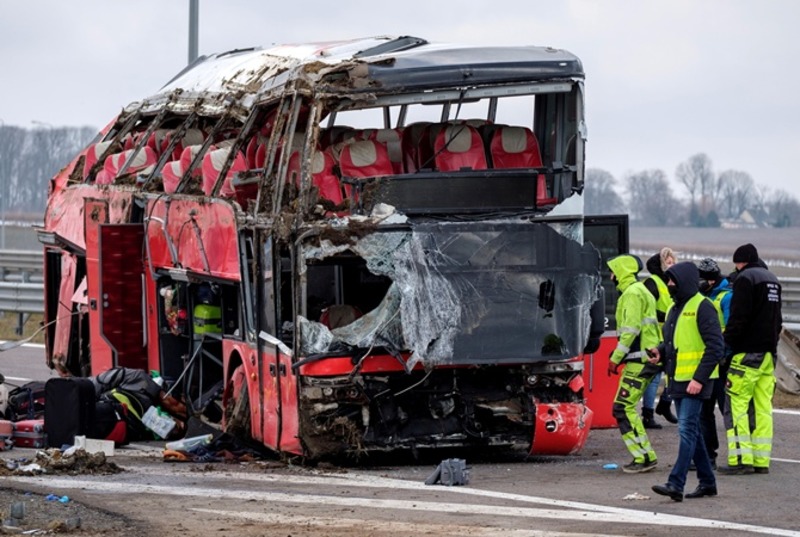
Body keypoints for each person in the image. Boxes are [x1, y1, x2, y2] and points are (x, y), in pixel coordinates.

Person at [651, 261, 725, 502]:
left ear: (684, 281)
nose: (670, 285)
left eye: (673, 280)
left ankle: (676, 483)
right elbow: (675, 343)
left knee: (686, 431)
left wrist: (699, 379)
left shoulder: (703, 307)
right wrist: (660, 351)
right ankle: (707, 482)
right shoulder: (675, 308)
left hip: (696, 382)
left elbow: (716, 348)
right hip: (678, 380)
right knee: (693, 432)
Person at [719, 243, 782, 475]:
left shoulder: (745, 279)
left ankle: (740, 460)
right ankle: (760, 461)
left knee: (736, 406)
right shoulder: (773, 279)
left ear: (741, 262)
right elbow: (779, 321)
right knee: (763, 408)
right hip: (768, 355)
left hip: (746, 354)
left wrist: (725, 345)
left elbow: (738, 319)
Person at [606, 254, 662, 473]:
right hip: (642, 359)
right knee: (625, 407)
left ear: (621, 272)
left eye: (613, 271)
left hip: (639, 361)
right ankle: (645, 455)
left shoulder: (631, 294)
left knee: (623, 407)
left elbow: (630, 332)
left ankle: (644, 457)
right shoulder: (639, 291)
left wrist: (614, 359)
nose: (610, 275)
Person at [697, 257, 733, 469]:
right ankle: (709, 455)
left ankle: (738, 454)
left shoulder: (727, 296)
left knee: (726, 409)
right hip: (707, 360)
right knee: (704, 411)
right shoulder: (702, 294)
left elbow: (730, 327)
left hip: (722, 360)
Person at [641, 247, 678, 428]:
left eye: (673, 263)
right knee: (655, 376)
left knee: (673, 373)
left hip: (670, 335)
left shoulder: (671, 282)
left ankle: (664, 404)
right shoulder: (653, 282)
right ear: (662, 264)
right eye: (668, 263)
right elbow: (648, 310)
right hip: (655, 336)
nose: (672, 266)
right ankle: (647, 414)